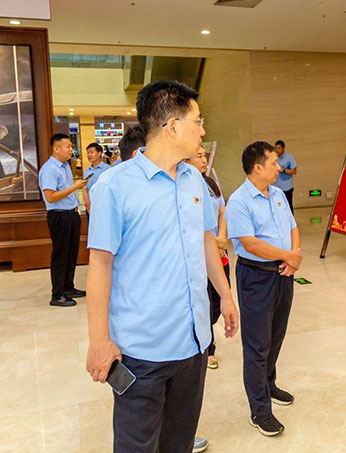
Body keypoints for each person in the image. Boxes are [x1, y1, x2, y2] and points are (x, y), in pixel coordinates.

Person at [85, 80, 239, 453]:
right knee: (137, 446)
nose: (202, 131)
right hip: (142, 352)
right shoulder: (114, 186)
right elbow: (100, 265)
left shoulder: (193, 179)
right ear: (172, 126)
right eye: (198, 121)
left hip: (194, 343)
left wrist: (225, 295)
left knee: (178, 442)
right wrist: (99, 340)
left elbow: (206, 239)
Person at [227, 141, 301, 437]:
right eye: (273, 163)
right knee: (257, 344)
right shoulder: (239, 201)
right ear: (257, 167)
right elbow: (249, 243)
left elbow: (293, 227)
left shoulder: (279, 194)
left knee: (276, 335)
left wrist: (294, 256)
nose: (278, 168)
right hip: (256, 277)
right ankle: (259, 410)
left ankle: (269, 385)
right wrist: (287, 255)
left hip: (283, 274)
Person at [185, 147, 230, 370]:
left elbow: (222, 211)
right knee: (205, 300)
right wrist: (213, 242)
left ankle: (206, 333)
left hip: (219, 251)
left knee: (219, 300)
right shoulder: (185, 186)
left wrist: (221, 238)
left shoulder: (211, 183)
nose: (204, 160)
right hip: (202, 253)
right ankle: (208, 347)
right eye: (199, 156)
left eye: (205, 156)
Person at [38, 133, 88, 307]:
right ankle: (57, 294)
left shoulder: (65, 166)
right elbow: (50, 197)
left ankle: (68, 287)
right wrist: (75, 187)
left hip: (71, 214)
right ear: (56, 149)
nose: (71, 149)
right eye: (68, 146)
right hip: (59, 216)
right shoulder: (50, 169)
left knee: (71, 253)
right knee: (61, 255)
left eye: (71, 146)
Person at [82, 143, 111, 214]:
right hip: (90, 206)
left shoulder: (107, 169)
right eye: (88, 153)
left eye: (91, 152)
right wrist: (87, 203)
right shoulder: (87, 171)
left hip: (104, 205)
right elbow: (85, 189)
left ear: (99, 154)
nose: (89, 155)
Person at [272, 140, 297, 214]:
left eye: (279, 148)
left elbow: (294, 171)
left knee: (288, 205)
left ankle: (290, 220)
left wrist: (284, 170)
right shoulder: (274, 158)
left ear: (283, 148)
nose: (277, 150)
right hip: (277, 186)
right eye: (276, 148)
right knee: (278, 205)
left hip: (287, 187)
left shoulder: (289, 158)